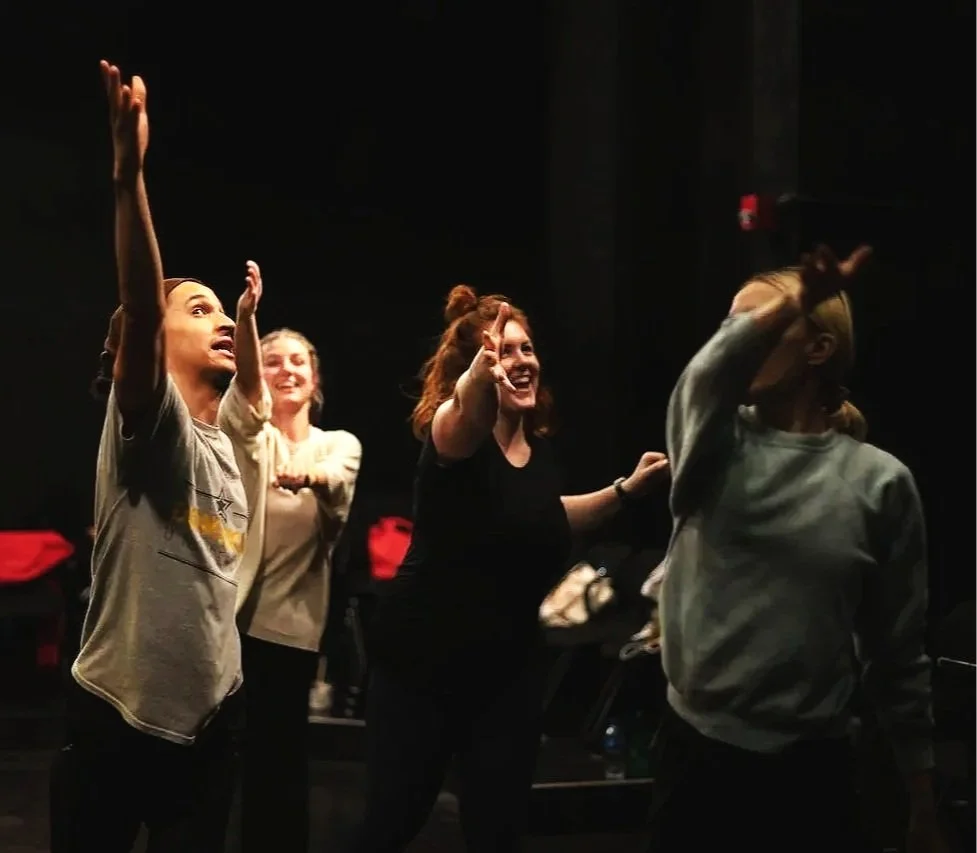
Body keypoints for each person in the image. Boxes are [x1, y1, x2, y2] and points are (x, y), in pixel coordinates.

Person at [648, 246, 943, 852]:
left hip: (813, 772)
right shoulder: (713, 446)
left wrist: (922, 802)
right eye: (733, 329)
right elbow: (704, 377)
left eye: (765, 327)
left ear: (818, 349)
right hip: (699, 758)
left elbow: (897, 653)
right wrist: (792, 303)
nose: (740, 342)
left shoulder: (880, 483)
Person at [355, 284, 670, 852]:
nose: (521, 362)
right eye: (505, 352)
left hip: (507, 671)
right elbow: (463, 411)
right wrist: (480, 371)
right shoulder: (454, 440)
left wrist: (625, 491)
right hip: (422, 665)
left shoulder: (539, 452)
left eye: (526, 349)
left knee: (498, 831)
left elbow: (547, 516)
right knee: (393, 821)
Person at [48, 61, 247, 853]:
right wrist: (129, 178)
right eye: (198, 308)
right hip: (116, 716)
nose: (222, 317)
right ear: (153, 342)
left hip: (209, 727)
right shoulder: (150, 424)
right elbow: (138, 299)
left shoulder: (230, 447)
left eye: (220, 307)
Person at [218, 262, 362, 853]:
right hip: (233, 620)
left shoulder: (339, 444)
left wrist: (307, 475)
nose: (286, 370)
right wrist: (248, 320)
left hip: (292, 625)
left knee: (283, 761)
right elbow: (246, 400)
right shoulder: (255, 438)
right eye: (274, 361)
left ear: (315, 377)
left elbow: (336, 480)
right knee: (232, 761)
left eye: (297, 361)